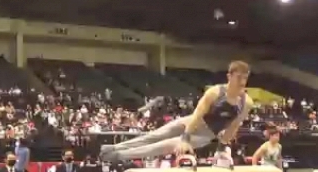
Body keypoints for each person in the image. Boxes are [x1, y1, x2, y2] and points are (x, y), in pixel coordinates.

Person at [99, 60, 253, 161]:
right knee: (154, 136)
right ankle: (114, 148)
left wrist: (222, 146)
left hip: (205, 135)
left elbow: (234, 126)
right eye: (238, 77)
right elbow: (198, 114)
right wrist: (185, 137)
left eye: (245, 78)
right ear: (229, 76)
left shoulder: (246, 103)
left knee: (162, 146)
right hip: (191, 123)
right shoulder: (215, 92)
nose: (242, 82)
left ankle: (118, 155)